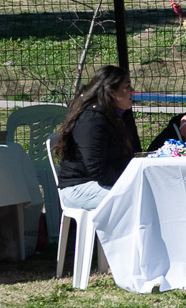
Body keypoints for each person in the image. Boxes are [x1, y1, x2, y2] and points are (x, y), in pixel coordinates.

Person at [55, 65, 143, 205]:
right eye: (127, 86)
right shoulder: (93, 120)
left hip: (106, 182)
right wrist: (130, 181)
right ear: (112, 92)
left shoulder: (121, 114)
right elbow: (98, 170)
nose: (132, 91)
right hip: (79, 187)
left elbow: (135, 151)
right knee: (137, 199)